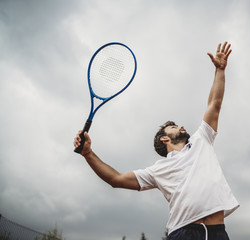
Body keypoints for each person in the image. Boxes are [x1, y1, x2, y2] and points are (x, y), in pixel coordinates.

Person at [74, 42, 239, 240]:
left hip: (217, 233)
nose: (181, 126)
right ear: (165, 137)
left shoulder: (202, 139)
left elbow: (215, 103)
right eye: (174, 126)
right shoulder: (157, 170)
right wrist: (88, 154)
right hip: (183, 232)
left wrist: (220, 70)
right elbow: (115, 179)